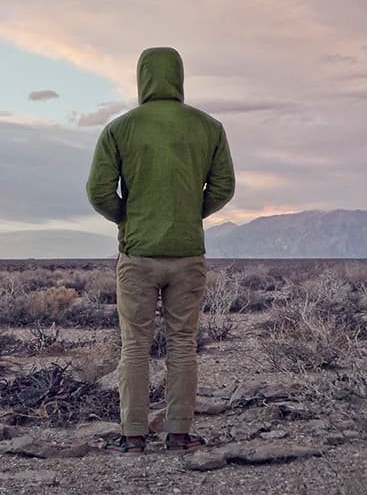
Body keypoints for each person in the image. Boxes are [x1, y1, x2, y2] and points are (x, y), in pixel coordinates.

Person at [85, 46, 235, 454]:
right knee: (182, 344)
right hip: (187, 253)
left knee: (134, 344)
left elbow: (98, 191)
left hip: (137, 254)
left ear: (142, 77)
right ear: (179, 76)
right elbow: (223, 187)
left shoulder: (121, 128)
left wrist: (127, 219)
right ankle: (178, 434)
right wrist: (189, 213)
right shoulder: (209, 127)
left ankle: (133, 436)